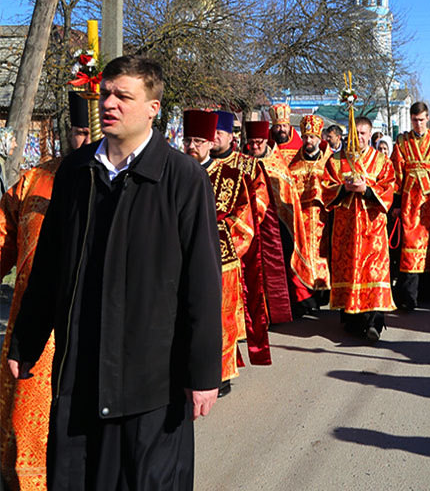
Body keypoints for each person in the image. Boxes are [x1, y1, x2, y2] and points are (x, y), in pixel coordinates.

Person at [7, 56, 221, 489]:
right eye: (106, 93)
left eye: (124, 96)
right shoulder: (76, 172)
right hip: (80, 373)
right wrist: (26, 340)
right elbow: (49, 265)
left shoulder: (181, 178)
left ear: (152, 109)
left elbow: (202, 283)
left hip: (151, 384)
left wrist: (203, 374)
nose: (109, 103)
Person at [0, 93, 91, 490]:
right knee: (25, 423)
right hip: (32, 327)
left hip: (89, 329)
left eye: (91, 133)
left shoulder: (118, 188)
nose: (83, 142)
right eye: (77, 132)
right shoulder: (33, 181)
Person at [188, 111, 275, 399]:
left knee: (220, 319)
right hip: (183, 260)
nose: (193, 145)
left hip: (221, 256)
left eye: (200, 139)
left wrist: (215, 236)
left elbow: (248, 217)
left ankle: (221, 373)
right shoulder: (176, 171)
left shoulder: (236, 172)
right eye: (189, 140)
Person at [322, 116, 397, 340]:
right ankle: (353, 320)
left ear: (370, 134)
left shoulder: (382, 160)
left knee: (373, 272)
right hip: (345, 228)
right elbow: (325, 188)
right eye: (356, 134)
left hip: (372, 230)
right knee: (349, 271)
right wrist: (344, 188)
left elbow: (389, 187)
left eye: (364, 134)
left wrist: (366, 189)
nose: (360, 138)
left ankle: (375, 322)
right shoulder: (335, 160)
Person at [245, 118, 317, 320]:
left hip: (277, 226)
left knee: (280, 268)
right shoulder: (241, 163)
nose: (256, 145)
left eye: (260, 141)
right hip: (249, 225)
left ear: (266, 141)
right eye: (252, 142)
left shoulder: (277, 165)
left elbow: (287, 197)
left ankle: (282, 308)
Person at [390, 102, 430, 310]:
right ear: (411, 119)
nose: (418, 124)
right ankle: (408, 297)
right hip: (409, 204)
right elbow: (396, 173)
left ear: (428, 118)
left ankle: (429, 292)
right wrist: (397, 204)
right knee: (409, 249)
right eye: (415, 120)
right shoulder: (402, 141)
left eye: (422, 119)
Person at [287, 115, 332, 298]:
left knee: (324, 254)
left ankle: (324, 293)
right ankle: (306, 296)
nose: (308, 141)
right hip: (303, 219)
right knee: (304, 255)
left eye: (312, 137)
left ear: (319, 137)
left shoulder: (329, 162)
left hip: (324, 218)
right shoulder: (294, 164)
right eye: (305, 137)